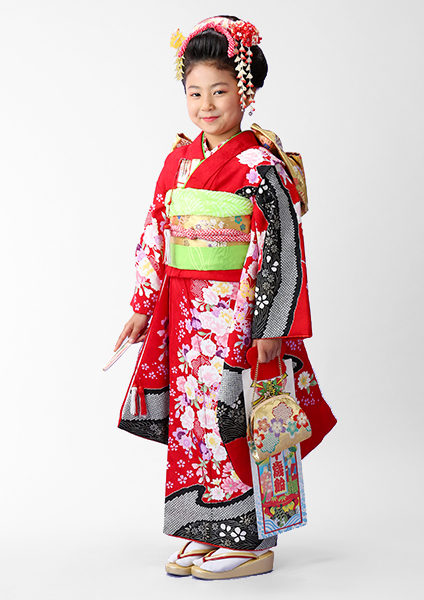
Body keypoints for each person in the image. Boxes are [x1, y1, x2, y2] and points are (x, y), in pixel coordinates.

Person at [114, 16, 336, 580]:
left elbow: (281, 250)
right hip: (186, 314)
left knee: (237, 417)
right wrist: (143, 305)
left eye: (219, 91)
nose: (206, 105)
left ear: (245, 90)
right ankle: (200, 527)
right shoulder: (179, 161)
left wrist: (272, 326)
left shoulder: (261, 166)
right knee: (192, 420)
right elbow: (156, 229)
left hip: (239, 313)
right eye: (194, 93)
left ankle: (251, 538)